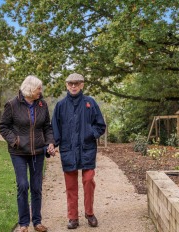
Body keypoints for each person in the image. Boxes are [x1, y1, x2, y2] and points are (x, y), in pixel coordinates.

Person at [0, 75, 55, 232]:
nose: (41, 91)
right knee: (23, 185)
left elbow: (47, 127)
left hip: (37, 152)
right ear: (30, 88)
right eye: (39, 88)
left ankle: (37, 222)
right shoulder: (12, 105)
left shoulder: (42, 104)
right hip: (18, 152)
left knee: (36, 187)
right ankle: (24, 223)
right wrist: (14, 141)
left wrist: (50, 142)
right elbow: (3, 126)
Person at [52, 73, 106, 229]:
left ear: (82, 85)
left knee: (88, 180)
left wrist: (90, 134)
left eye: (76, 83)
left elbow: (100, 125)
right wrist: (53, 145)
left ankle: (89, 213)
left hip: (87, 148)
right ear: (66, 85)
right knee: (70, 185)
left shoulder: (90, 103)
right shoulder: (60, 106)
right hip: (68, 149)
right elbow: (55, 128)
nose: (73, 86)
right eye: (70, 84)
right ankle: (73, 217)